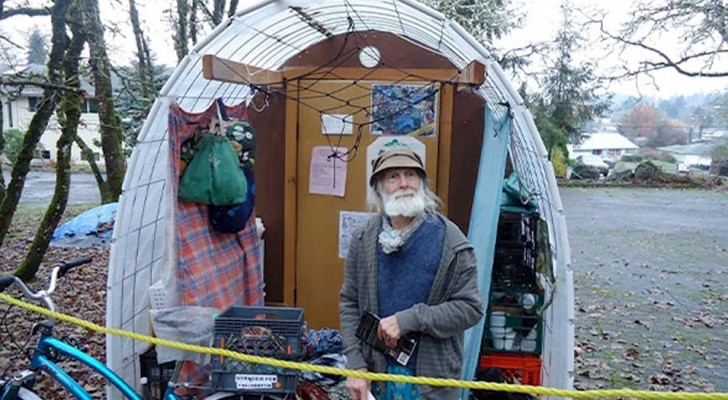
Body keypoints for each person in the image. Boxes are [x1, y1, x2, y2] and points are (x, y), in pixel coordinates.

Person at [339, 146, 484, 400]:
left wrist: (410, 319)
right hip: (377, 379)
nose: (404, 184)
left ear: (423, 183)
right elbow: (350, 302)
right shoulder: (363, 239)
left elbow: (470, 309)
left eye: (411, 175)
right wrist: (356, 364)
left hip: (431, 383)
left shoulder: (451, 241)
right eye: (393, 177)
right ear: (379, 188)